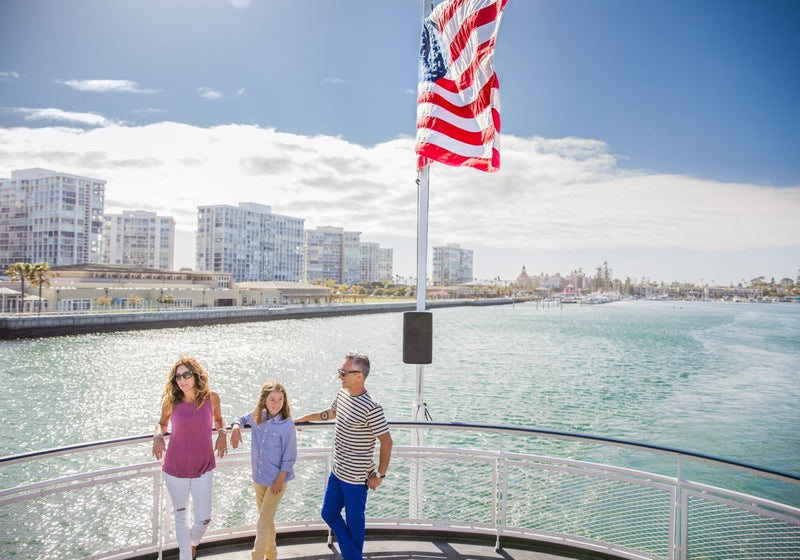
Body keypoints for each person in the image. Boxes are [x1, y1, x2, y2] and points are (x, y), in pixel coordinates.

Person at [295, 353, 392, 560]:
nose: (340, 376)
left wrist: (380, 475)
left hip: (357, 480)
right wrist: (304, 419)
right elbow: (330, 413)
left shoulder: (371, 407)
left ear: (359, 376)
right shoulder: (343, 395)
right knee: (328, 513)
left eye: (343, 372)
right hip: (337, 473)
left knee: (355, 525)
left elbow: (387, 441)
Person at [152, 357, 227, 560]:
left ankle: (191, 544)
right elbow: (161, 423)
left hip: (204, 466)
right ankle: (186, 556)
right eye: (178, 376)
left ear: (196, 375)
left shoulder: (212, 398)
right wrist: (158, 436)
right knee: (181, 517)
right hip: (175, 468)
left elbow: (219, 419)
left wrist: (222, 433)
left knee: (203, 518)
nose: (182, 380)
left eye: (186, 374)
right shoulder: (171, 402)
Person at [230, 381, 297, 560]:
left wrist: (280, 480)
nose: (276, 403)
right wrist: (236, 427)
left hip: (277, 481)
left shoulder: (287, 424)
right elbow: (241, 419)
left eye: (280, 399)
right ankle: (272, 555)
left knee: (262, 522)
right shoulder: (257, 417)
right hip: (259, 478)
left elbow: (290, 456)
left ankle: (257, 557)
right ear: (264, 401)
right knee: (267, 520)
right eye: (272, 399)